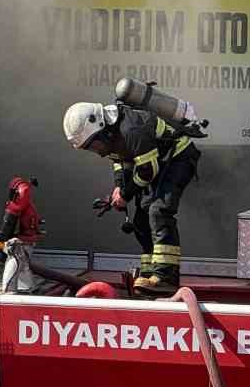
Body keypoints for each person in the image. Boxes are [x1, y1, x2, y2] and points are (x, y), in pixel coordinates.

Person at [63, 100, 203, 295]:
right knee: (141, 219)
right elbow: (120, 162)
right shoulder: (109, 135)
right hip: (158, 162)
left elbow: (147, 171)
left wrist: (126, 194)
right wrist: (119, 187)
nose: (96, 150)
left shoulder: (132, 129)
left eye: (94, 144)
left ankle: (166, 277)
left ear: (101, 127)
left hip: (179, 157)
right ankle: (148, 275)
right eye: (90, 148)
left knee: (159, 212)